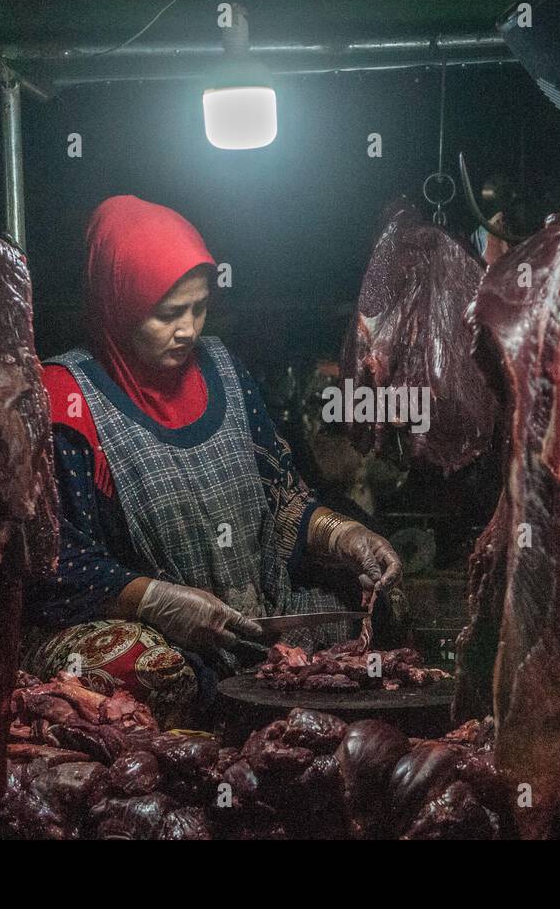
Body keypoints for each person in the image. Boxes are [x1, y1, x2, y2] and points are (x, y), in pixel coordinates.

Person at [26, 195, 400, 725]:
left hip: (247, 614)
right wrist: (156, 601)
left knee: (374, 605)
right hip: (153, 628)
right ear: (117, 304)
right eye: (168, 313)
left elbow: (281, 496)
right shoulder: (67, 398)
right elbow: (54, 564)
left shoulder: (222, 368)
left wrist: (343, 536)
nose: (189, 329)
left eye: (199, 308)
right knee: (151, 667)